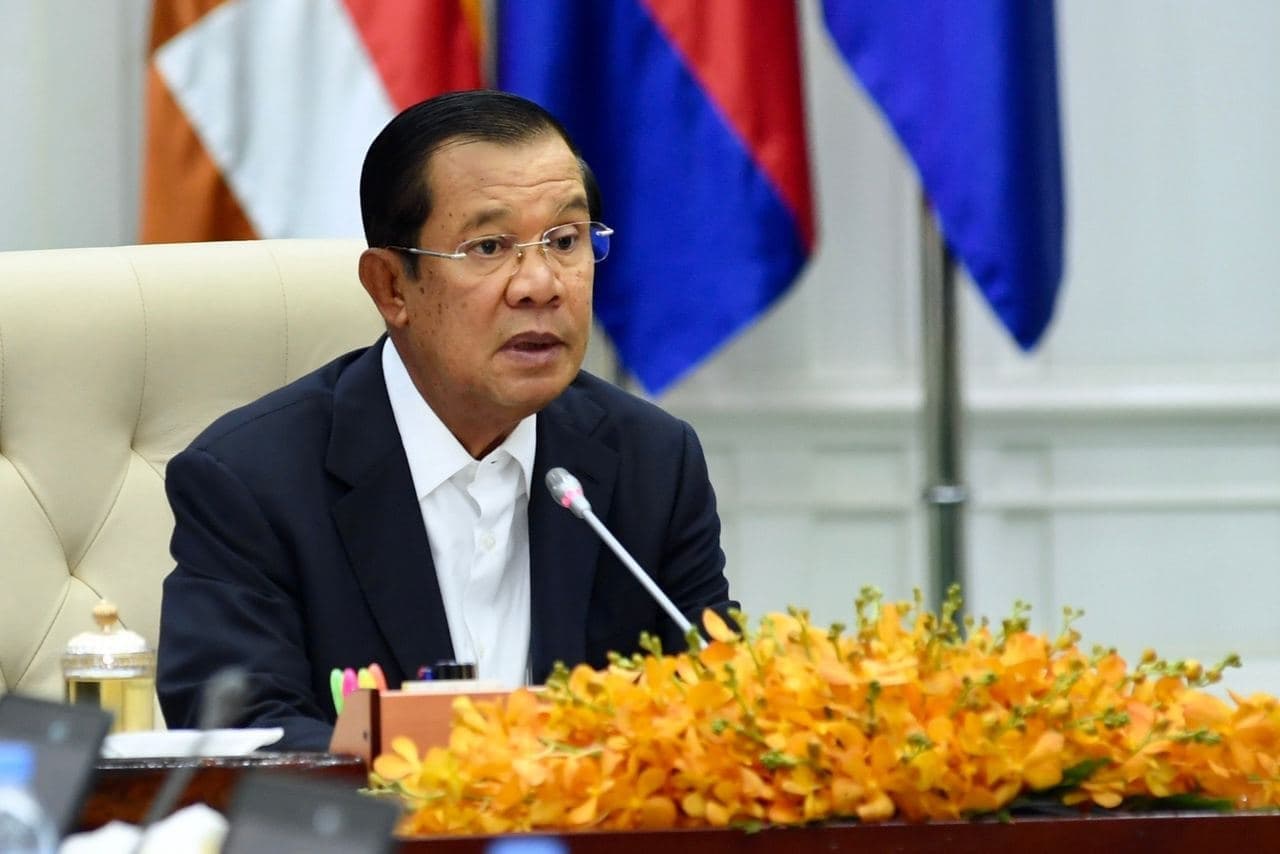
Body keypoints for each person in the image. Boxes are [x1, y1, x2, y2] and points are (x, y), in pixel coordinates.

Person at [156, 90, 734, 751]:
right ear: (391, 288)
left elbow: (714, 703)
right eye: (488, 246)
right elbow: (241, 738)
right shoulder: (252, 482)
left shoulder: (652, 462)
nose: (541, 284)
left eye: (565, 240)